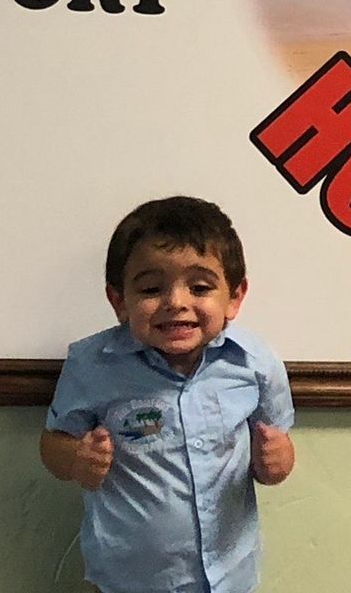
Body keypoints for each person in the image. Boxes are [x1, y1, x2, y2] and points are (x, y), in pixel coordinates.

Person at [41, 195, 295, 593]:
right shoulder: (92, 364)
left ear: (234, 297)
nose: (176, 303)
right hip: (125, 581)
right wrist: (76, 460)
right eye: (151, 289)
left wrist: (277, 463)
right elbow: (53, 443)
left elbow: (277, 450)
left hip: (229, 577)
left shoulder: (254, 363)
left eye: (200, 287)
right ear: (119, 301)